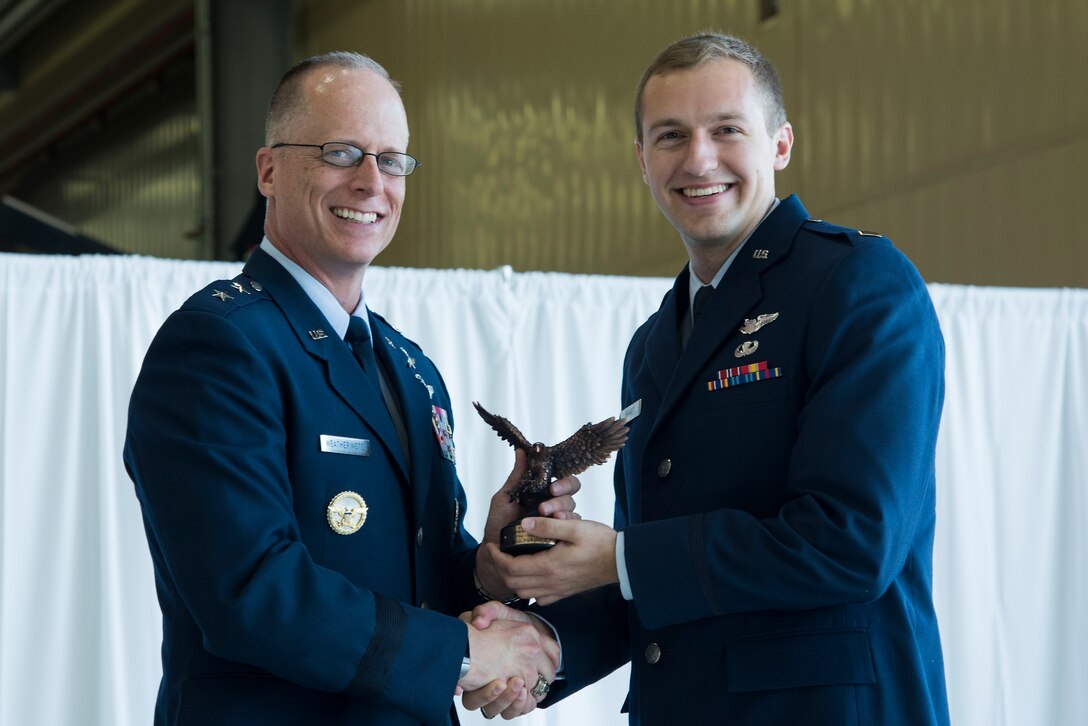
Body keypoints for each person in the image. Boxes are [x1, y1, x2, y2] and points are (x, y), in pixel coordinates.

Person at [470, 32, 951, 725]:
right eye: (670, 136)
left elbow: (851, 540)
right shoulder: (655, 343)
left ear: (780, 144)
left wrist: (620, 558)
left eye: (727, 130)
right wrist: (543, 642)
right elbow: (662, 575)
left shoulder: (856, 284)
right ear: (641, 160)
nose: (698, 159)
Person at [124, 51, 571, 725]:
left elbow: (409, 575)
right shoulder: (217, 346)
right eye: (341, 152)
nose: (371, 182)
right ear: (269, 170)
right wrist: (466, 654)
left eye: (392, 161)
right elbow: (253, 592)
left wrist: (487, 567)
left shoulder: (410, 366)